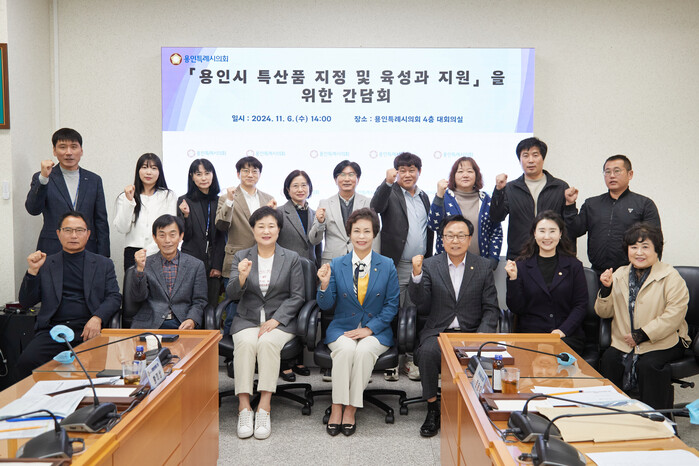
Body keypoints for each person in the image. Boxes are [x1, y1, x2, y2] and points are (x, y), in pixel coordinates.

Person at [409, 215, 500, 437]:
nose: (455, 240)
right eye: (450, 236)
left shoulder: (483, 266)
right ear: (442, 239)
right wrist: (417, 275)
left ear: (469, 239)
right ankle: (433, 408)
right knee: (428, 352)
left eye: (460, 235)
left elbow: (491, 308)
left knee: (479, 355)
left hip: (471, 332)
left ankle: (474, 408)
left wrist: (481, 336)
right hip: (439, 332)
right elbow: (420, 302)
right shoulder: (430, 265)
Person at [316, 208, 399, 437]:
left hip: (376, 330)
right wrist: (324, 284)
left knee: (363, 352)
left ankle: (351, 408)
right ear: (349, 234)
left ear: (374, 234)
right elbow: (325, 305)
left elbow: (392, 305)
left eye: (367, 231)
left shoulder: (387, 265)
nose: (361, 236)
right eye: (356, 231)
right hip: (343, 328)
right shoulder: (337, 264)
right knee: (344, 351)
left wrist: (370, 329)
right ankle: (337, 406)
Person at [227, 207, 305, 440]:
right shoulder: (242, 257)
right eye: (260, 226)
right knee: (246, 344)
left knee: (267, 343)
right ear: (253, 230)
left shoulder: (291, 258)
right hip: (247, 319)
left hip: (279, 322)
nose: (266, 231)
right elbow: (232, 294)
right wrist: (241, 277)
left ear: (279, 230)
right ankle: (244, 407)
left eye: (271, 226)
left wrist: (276, 319)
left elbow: (297, 296)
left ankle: (264, 406)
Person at [16, 212, 121, 379]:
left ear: (88, 234)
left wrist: (97, 317)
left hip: (88, 330)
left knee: (93, 369)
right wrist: (32, 272)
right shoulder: (46, 264)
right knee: (26, 362)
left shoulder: (103, 264)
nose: (73, 235)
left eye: (79, 230)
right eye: (68, 230)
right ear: (58, 234)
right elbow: (26, 302)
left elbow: (114, 297)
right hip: (53, 331)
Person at [595, 223, 689, 410]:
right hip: (625, 342)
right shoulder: (619, 274)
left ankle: (657, 417)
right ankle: (612, 413)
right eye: (634, 247)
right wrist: (606, 290)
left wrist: (643, 334)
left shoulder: (671, 276)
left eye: (645, 247)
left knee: (649, 365)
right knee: (609, 360)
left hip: (662, 340)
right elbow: (604, 312)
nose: (639, 253)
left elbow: (674, 315)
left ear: (657, 250)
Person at [370, 152, 432, 381]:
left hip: (420, 265)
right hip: (395, 264)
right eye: (402, 170)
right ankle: (392, 360)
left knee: (414, 312)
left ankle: (410, 359)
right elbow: (376, 206)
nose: (407, 174)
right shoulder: (391, 192)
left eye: (411, 170)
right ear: (396, 173)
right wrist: (387, 183)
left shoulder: (424, 196)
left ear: (419, 172)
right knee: (393, 311)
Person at [504, 211, 588, 354]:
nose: (547, 237)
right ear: (534, 234)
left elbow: (581, 305)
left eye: (552, 231)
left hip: (566, 335)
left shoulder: (574, 266)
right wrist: (513, 279)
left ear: (560, 234)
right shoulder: (521, 266)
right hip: (531, 336)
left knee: (558, 355)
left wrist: (562, 331)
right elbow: (516, 308)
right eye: (542, 231)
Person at [564, 154, 661, 276]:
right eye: (607, 172)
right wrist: (570, 205)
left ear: (630, 174)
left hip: (633, 273)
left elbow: (655, 241)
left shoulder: (644, 204)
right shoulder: (592, 204)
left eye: (617, 171)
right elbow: (573, 230)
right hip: (598, 273)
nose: (612, 176)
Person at [25, 128, 110, 257]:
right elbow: (33, 210)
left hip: (88, 249)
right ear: (54, 151)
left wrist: (104, 256)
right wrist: (43, 179)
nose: (68, 152)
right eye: (63, 147)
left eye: (74, 147)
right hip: (53, 248)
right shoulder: (43, 177)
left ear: (81, 151)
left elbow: (101, 221)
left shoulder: (94, 180)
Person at [215, 156, 275, 334]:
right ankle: (230, 349)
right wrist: (230, 201)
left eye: (254, 171)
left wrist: (272, 213)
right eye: (245, 171)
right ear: (238, 174)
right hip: (236, 261)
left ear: (259, 174)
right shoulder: (226, 198)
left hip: (264, 261)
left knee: (259, 310)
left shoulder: (268, 198)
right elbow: (221, 225)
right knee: (233, 312)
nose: (250, 174)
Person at [490, 137, 571, 260]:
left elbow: (568, 226)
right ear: (520, 160)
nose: (531, 160)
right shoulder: (510, 188)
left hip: (553, 255)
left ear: (543, 158)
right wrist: (499, 191)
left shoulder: (560, 187)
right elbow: (496, 217)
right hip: (520, 255)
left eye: (535, 155)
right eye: (525, 156)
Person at [276, 169, 320, 381]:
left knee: (304, 313)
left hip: (309, 272)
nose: (300, 189)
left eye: (304, 185)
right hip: (286, 271)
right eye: (295, 185)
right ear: (287, 189)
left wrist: (318, 270)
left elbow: (317, 245)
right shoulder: (279, 212)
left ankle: (299, 359)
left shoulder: (315, 213)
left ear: (309, 188)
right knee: (288, 313)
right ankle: (285, 362)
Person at [129, 214, 208, 330]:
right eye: (162, 235)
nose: (167, 240)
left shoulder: (196, 265)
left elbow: (200, 301)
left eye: (172, 235)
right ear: (155, 238)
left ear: (181, 236)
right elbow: (138, 297)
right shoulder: (145, 263)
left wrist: (192, 319)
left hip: (182, 322)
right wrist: (140, 270)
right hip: (150, 323)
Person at [428, 156, 503, 270]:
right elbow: (433, 225)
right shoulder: (445, 198)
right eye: (460, 171)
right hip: (447, 266)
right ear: (453, 176)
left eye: (470, 171)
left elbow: (496, 231)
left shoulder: (486, 199)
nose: (465, 175)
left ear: (476, 175)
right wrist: (439, 196)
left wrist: (493, 259)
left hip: (480, 265)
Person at [113, 153, 177, 270]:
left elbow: (170, 226)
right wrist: (129, 201)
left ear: (159, 172)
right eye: (144, 167)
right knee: (134, 282)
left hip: (160, 250)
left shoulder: (168, 195)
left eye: (153, 168)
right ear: (138, 170)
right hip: (133, 252)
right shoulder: (125, 196)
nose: (149, 172)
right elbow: (122, 228)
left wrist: (149, 251)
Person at [309, 160, 379, 265]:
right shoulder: (325, 204)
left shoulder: (368, 203)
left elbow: (375, 236)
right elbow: (314, 240)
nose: (347, 179)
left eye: (351, 175)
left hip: (362, 261)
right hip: (332, 262)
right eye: (342, 175)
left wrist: (376, 261)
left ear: (358, 179)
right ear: (335, 180)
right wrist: (320, 223)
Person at [177, 159, 226, 308]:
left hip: (214, 263)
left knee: (211, 306)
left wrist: (217, 265)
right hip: (191, 261)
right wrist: (185, 216)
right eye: (198, 174)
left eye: (207, 173)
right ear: (192, 176)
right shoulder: (184, 201)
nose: (203, 178)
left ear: (213, 175)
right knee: (192, 305)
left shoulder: (220, 201)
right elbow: (185, 236)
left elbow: (222, 236)